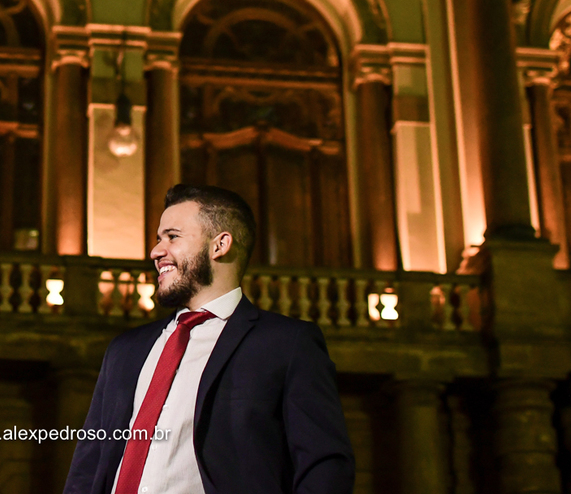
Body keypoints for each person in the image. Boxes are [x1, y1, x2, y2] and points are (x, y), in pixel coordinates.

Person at [64, 184, 355, 494]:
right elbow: (88, 466)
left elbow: (325, 466)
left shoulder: (287, 344)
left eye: (172, 237)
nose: (156, 252)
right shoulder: (125, 350)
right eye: (159, 239)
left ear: (220, 245)